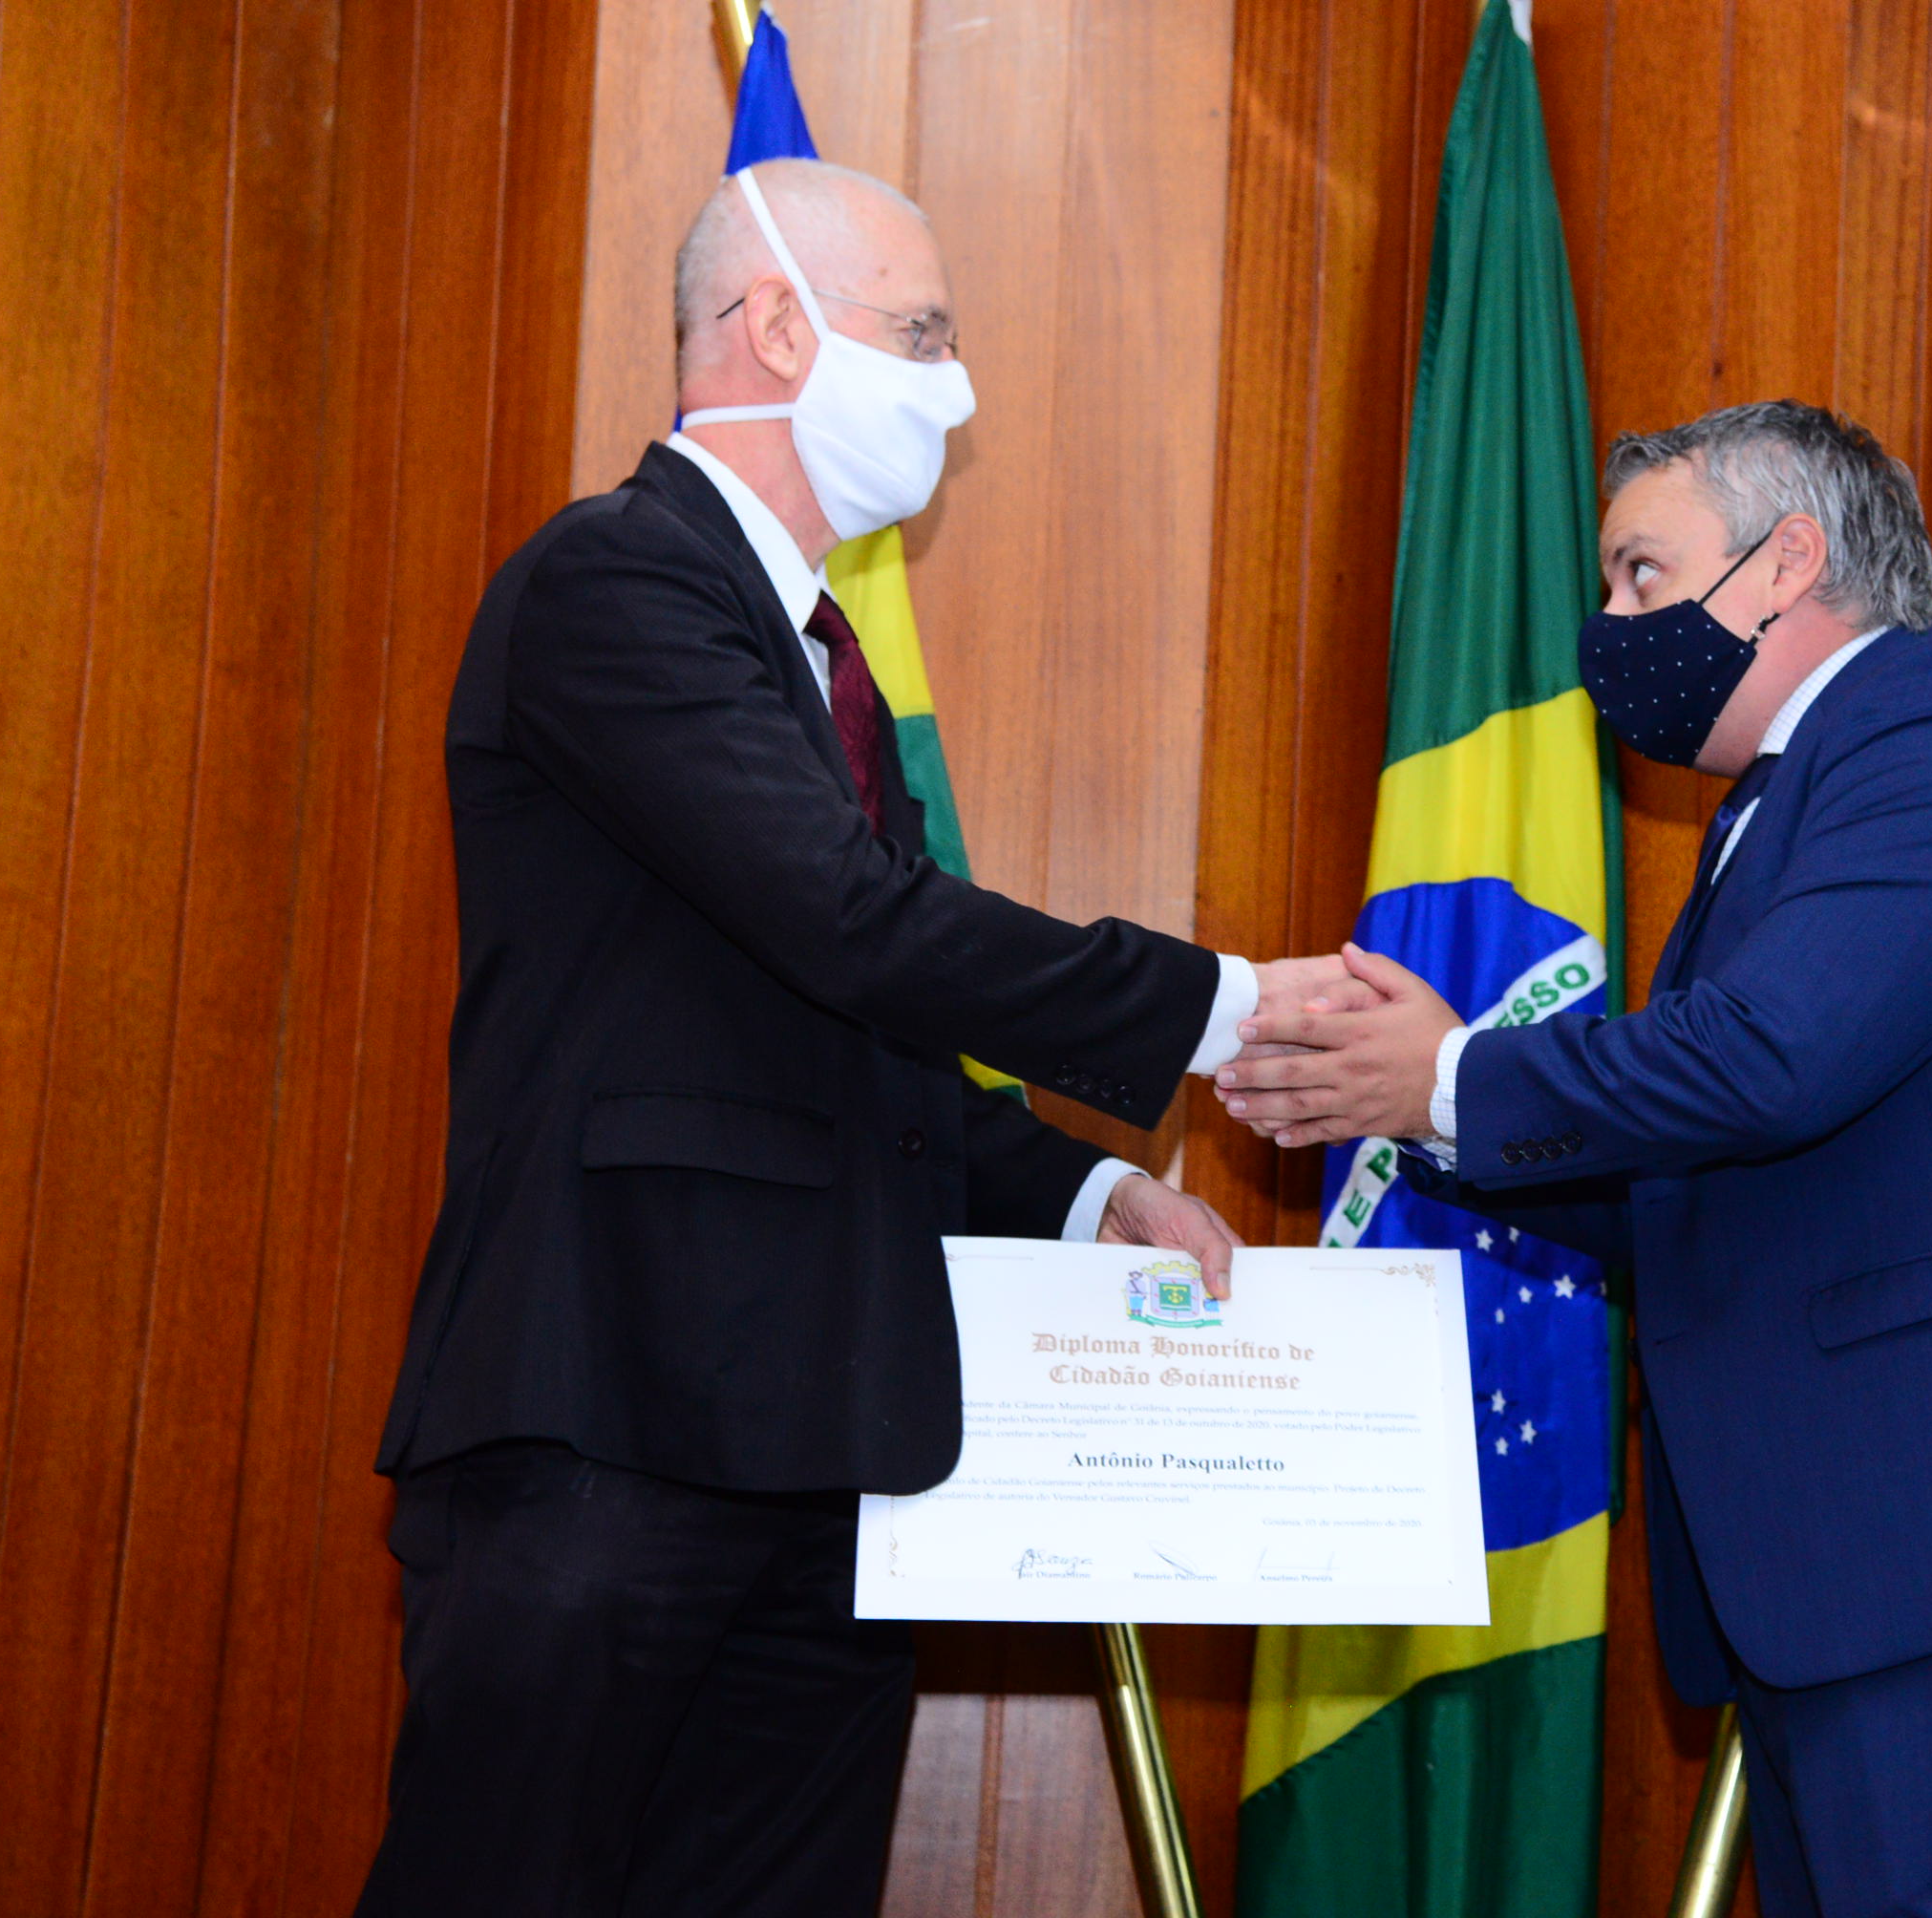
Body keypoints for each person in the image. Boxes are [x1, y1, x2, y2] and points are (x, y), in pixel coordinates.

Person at [356, 160, 1349, 1916]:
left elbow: (850, 1028)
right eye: (925, 335)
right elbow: (849, 919)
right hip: (610, 1416)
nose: (955, 390)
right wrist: (1226, 1009)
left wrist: (1081, 1196)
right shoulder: (613, 583)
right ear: (776, 326)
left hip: (827, 1457)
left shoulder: (828, 664)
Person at [1221, 401, 1932, 1917]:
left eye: (1643, 572)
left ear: (1787, 561)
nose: (1610, 622)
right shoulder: (1785, 800)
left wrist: (1451, 1074)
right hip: (1879, 1568)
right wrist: (1419, 1109)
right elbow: (1716, 1180)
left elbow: (1772, 1059)